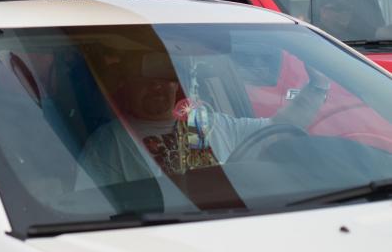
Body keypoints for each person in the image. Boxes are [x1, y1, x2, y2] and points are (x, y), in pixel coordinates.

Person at [78, 56, 328, 187]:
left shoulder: (212, 124)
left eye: (165, 77)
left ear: (176, 84)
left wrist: (317, 86)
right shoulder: (108, 143)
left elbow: (278, 128)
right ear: (125, 84)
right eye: (144, 78)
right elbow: (94, 206)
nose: (157, 85)